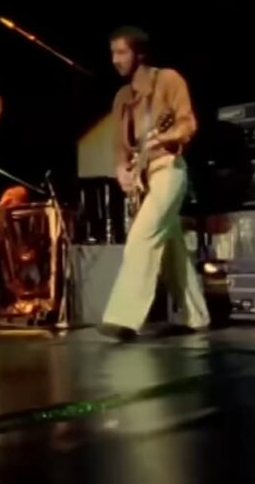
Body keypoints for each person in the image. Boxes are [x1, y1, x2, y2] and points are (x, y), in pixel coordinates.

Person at [100, 26, 210, 341]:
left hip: (168, 170)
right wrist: (122, 170)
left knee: (141, 238)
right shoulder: (122, 97)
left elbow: (188, 124)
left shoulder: (168, 80)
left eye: (122, 52)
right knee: (172, 249)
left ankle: (123, 318)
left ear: (140, 53)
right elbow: (119, 145)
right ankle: (197, 317)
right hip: (144, 179)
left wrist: (162, 137)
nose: (115, 60)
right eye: (112, 53)